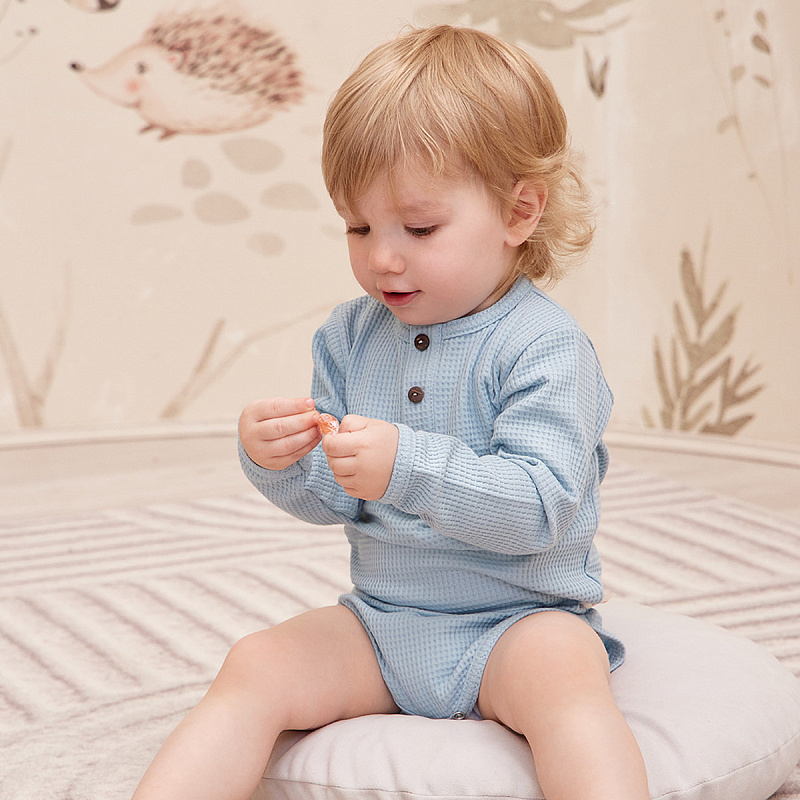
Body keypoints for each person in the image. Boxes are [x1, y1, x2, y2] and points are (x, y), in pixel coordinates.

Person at [132, 24, 649, 800]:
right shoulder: (350, 336)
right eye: (358, 226)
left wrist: (406, 467)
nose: (381, 256)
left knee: (568, 689)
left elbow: (540, 509)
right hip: (381, 624)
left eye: (420, 227)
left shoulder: (545, 348)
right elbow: (337, 499)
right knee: (254, 664)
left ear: (520, 212)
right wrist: (281, 461)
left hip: (516, 626)